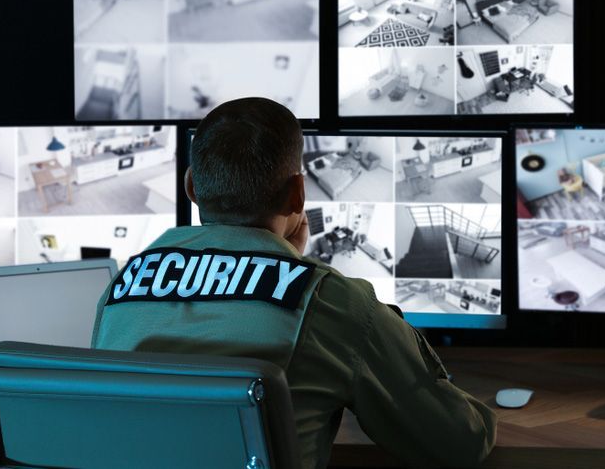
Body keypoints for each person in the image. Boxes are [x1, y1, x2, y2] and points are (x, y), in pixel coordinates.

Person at [92, 97, 496, 469]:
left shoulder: (122, 286)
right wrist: (296, 266)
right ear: (298, 194)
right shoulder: (331, 301)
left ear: (192, 187)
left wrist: (285, 258)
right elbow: (459, 443)